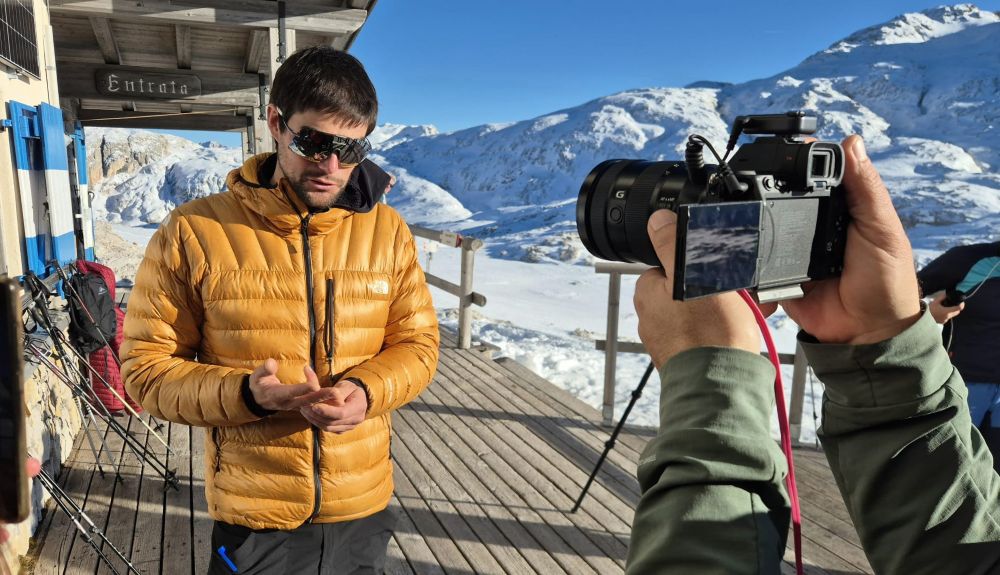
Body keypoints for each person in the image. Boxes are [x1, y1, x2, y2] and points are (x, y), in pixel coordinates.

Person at [121, 47, 439, 575]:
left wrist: (366, 392)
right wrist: (246, 395)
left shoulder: (388, 233)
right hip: (256, 519)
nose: (331, 166)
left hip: (362, 509)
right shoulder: (194, 232)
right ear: (275, 122)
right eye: (314, 142)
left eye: (352, 147)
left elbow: (419, 347)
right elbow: (145, 373)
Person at [626, 135, 1000, 574]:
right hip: (968, 377)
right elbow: (970, 556)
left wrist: (712, 379)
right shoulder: (975, 258)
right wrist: (883, 347)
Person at [918, 241, 1000, 470]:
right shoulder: (968, 260)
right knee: (953, 468)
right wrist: (927, 314)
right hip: (965, 385)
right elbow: (900, 295)